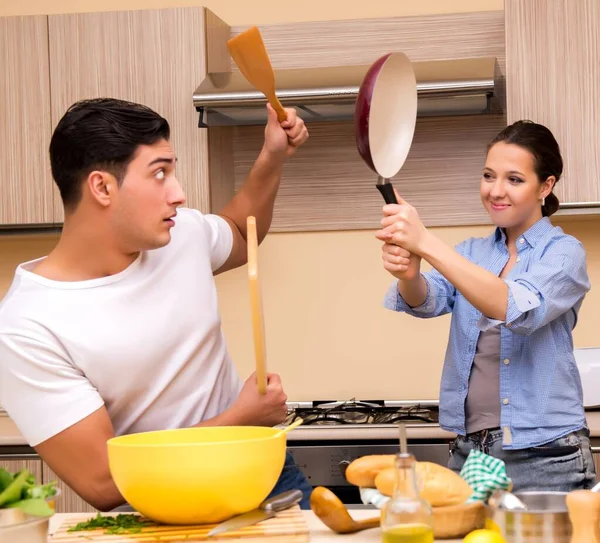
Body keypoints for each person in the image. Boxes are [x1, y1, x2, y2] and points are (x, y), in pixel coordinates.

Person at [0, 97, 313, 510]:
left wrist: (272, 156)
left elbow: (239, 231)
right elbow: (103, 483)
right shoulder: (27, 326)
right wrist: (239, 419)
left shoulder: (180, 235)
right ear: (102, 187)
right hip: (165, 510)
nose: (179, 195)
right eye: (160, 173)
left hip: (268, 479)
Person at [376, 120, 596, 492]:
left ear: (546, 186)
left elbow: (513, 307)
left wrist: (426, 242)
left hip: (545, 456)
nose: (496, 191)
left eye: (514, 179)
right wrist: (410, 273)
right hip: (469, 453)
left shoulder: (563, 254)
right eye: (488, 175)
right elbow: (425, 300)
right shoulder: (472, 253)